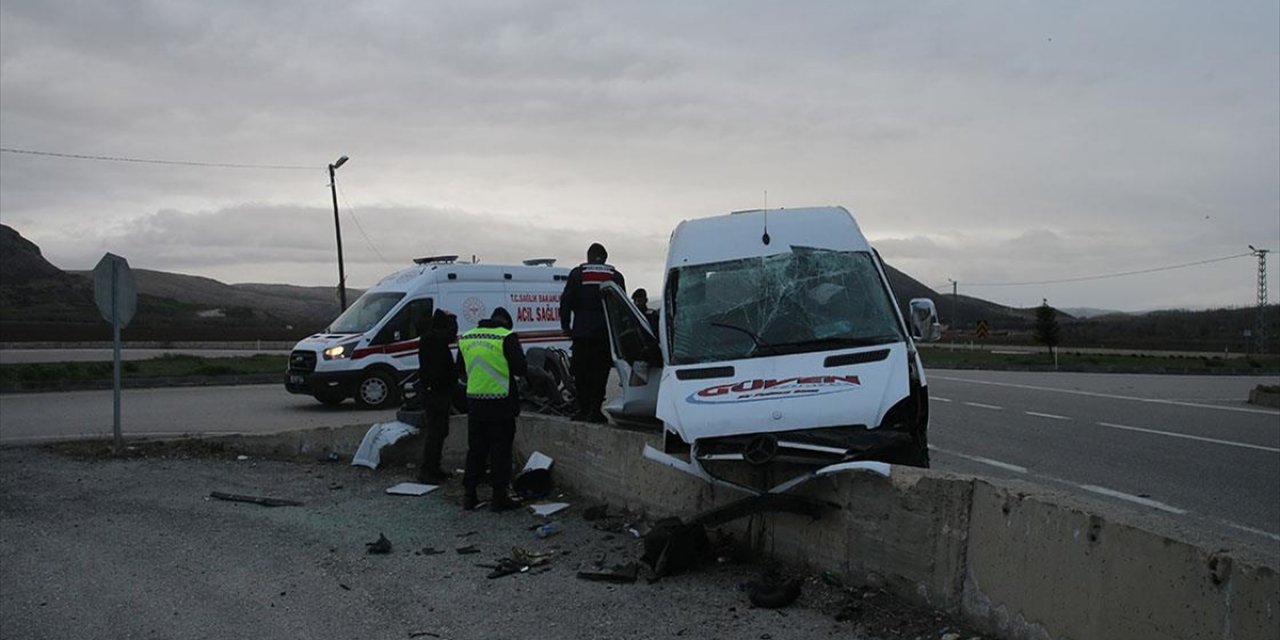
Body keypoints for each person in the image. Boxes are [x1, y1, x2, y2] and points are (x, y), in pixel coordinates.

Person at [458, 307, 527, 512]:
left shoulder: (467, 337)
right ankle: (499, 497)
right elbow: (520, 368)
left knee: (476, 451)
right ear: (506, 323)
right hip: (501, 404)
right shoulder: (506, 337)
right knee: (500, 451)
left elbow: (460, 370)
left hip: (475, 403)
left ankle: (469, 495)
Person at [559, 242, 625, 423]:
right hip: (605, 334)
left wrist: (566, 326)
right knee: (600, 373)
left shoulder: (578, 274)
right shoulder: (615, 276)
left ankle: (583, 409)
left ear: (588, 257)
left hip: (582, 332)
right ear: (605, 258)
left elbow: (566, 302)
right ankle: (595, 410)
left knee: (581, 372)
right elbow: (622, 308)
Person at [416, 309, 459, 484]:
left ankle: (434, 467)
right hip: (436, 392)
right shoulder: (432, 340)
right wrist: (452, 318)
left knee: (440, 432)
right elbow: (450, 334)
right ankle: (428, 470)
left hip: (437, 392)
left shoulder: (431, 339)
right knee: (436, 433)